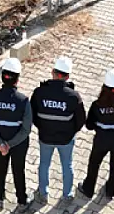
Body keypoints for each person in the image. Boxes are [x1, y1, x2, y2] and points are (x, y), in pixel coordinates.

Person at [31, 56, 85, 203]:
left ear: (52, 72)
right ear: (67, 76)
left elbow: (33, 115)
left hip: (45, 137)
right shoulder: (74, 96)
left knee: (44, 164)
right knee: (67, 165)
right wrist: (70, 131)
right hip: (66, 139)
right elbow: (81, 120)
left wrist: (42, 127)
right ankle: (66, 195)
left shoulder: (39, 93)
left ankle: (43, 193)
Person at [0, 58, 32, 211]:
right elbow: (26, 129)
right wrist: (10, 144)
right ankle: (22, 201)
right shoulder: (23, 101)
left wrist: (0, 143)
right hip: (18, 144)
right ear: (17, 79)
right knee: (18, 170)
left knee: (0, 168)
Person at [78, 69, 114, 199]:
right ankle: (110, 191)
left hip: (101, 140)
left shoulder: (97, 105)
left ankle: (88, 189)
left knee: (94, 163)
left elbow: (89, 125)